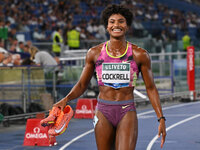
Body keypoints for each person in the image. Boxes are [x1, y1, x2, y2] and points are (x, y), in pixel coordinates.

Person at [53, 4, 166, 150]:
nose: (116, 25)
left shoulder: (140, 55)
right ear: (107, 26)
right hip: (103, 111)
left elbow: (151, 88)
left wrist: (161, 118)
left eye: (121, 21)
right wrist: (66, 99)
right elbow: (82, 85)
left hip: (127, 110)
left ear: (127, 26)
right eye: (112, 21)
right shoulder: (94, 53)